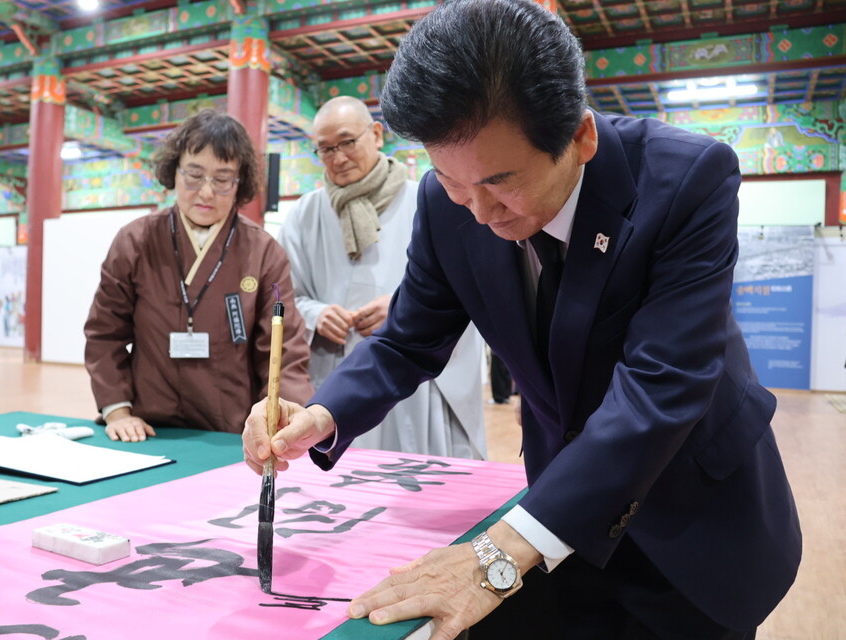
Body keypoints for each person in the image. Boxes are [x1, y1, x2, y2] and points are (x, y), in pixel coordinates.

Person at [243, 1, 802, 639]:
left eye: (500, 182)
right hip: (555, 506)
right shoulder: (445, 197)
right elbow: (408, 340)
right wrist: (320, 415)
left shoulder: (685, 180)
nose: (478, 212)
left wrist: (498, 553)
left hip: (690, 520)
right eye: (454, 183)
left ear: (580, 137)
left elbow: (663, 385)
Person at [277, 96, 487, 459]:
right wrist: (316, 314)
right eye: (325, 149)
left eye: (346, 142)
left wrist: (405, 311)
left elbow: (465, 295)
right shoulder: (303, 215)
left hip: (414, 377)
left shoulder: (429, 201)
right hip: (336, 370)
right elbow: (284, 297)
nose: (338, 157)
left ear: (375, 134)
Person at [85, 110, 314, 442]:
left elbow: (284, 348)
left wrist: (280, 413)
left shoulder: (263, 252)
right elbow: (105, 332)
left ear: (240, 184)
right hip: (149, 426)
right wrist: (117, 410)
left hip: (231, 431)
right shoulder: (136, 241)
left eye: (222, 179)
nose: (206, 192)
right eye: (194, 175)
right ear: (174, 173)